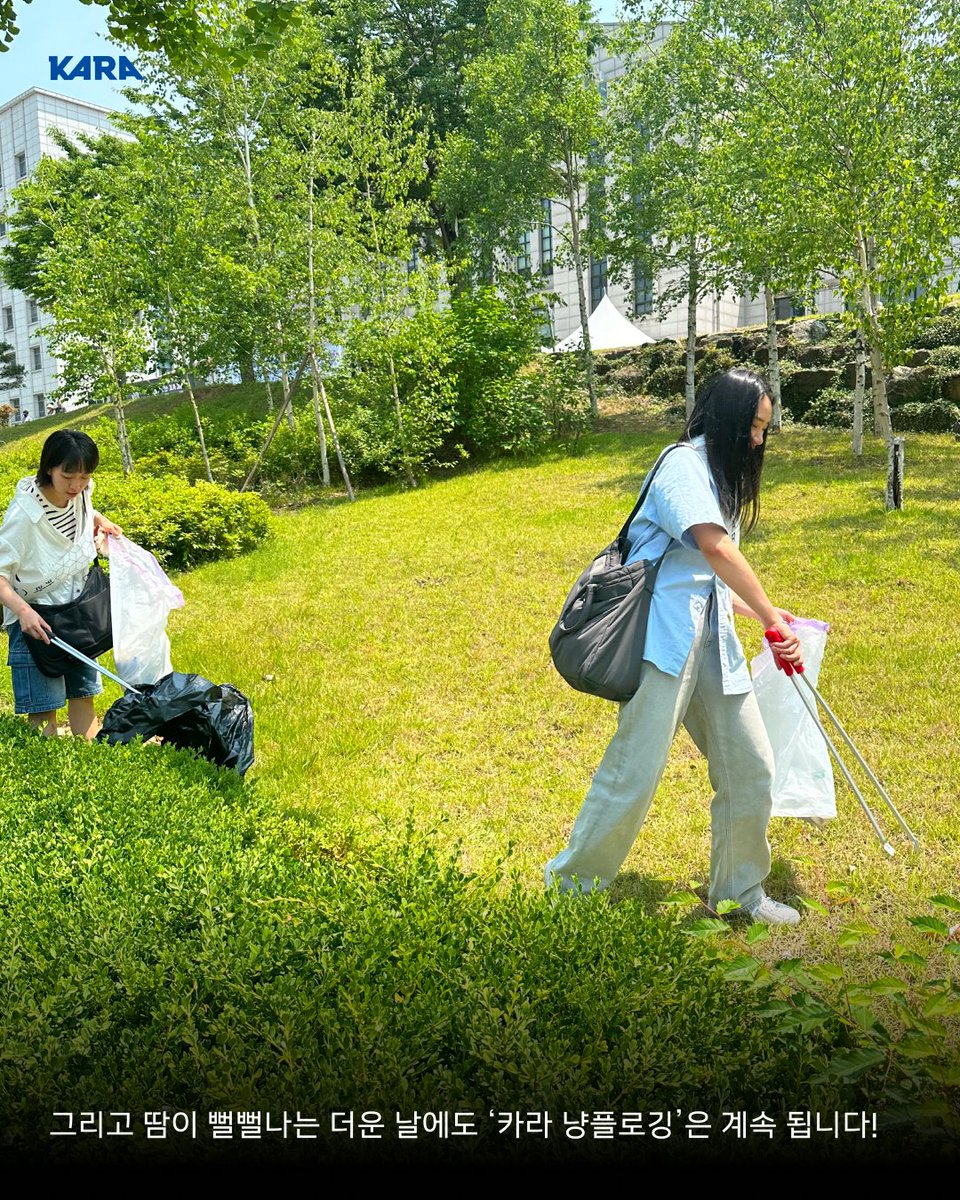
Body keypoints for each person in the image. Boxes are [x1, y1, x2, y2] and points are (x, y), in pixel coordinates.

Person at [545, 368, 805, 926]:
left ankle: (740, 893)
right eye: (754, 428)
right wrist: (768, 617)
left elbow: (701, 577)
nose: (760, 440)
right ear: (731, 420)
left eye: (766, 429)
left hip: (711, 640)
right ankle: (569, 888)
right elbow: (712, 550)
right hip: (659, 642)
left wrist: (760, 613)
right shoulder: (683, 465)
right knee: (634, 770)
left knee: (750, 765)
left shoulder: (719, 474)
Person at [0, 430, 122, 739]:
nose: (77, 486)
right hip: (36, 618)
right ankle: (49, 773)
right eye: (68, 475)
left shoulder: (80, 493)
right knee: (44, 711)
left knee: (83, 695)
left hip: (77, 606)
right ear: (49, 468)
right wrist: (23, 613)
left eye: (84, 476)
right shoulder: (24, 515)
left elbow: (82, 509)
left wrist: (100, 521)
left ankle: (90, 764)